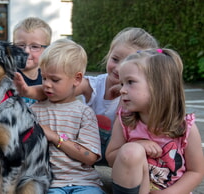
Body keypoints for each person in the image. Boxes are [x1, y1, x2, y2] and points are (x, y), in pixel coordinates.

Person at [14, 27, 159, 164]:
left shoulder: (141, 94)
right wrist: (27, 91)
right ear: (108, 55)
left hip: (119, 152)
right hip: (85, 147)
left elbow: (138, 126)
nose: (119, 67)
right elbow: (58, 89)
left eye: (128, 63)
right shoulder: (94, 85)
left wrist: (123, 95)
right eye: (115, 59)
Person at [105, 48, 204, 194]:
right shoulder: (125, 121)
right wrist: (138, 145)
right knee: (131, 150)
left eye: (130, 82)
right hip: (135, 188)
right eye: (122, 83)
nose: (122, 90)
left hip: (172, 192)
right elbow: (111, 159)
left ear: (159, 85)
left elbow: (196, 172)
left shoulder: (184, 127)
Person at [31, 39, 104, 194]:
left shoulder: (84, 113)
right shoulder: (33, 111)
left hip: (84, 183)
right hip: (48, 184)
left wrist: (56, 138)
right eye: (44, 78)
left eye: (55, 79)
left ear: (77, 79)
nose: (47, 84)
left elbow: (90, 157)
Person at [13, 17, 52, 106]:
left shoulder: (49, 76)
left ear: (47, 50)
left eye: (34, 47)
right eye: (21, 45)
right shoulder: (7, 76)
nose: (26, 51)